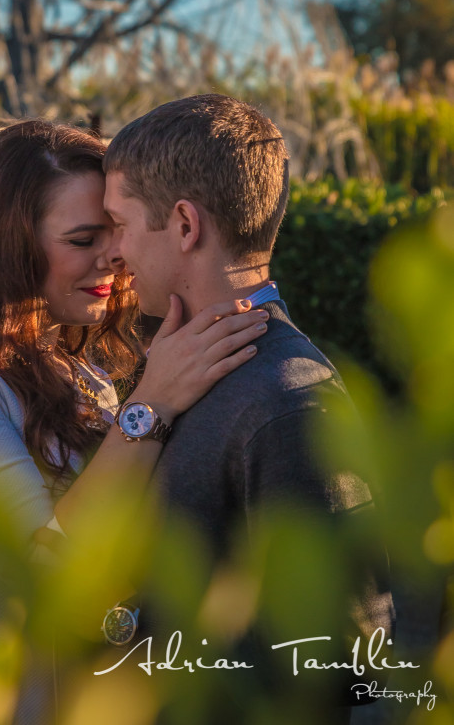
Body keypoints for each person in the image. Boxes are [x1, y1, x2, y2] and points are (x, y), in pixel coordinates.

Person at [0, 120, 267, 672]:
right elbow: (50, 581)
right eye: (83, 239)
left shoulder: (80, 373)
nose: (113, 257)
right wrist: (150, 405)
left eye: (115, 231)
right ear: (4, 246)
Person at [102, 94, 395, 721]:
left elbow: (343, 664)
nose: (113, 251)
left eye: (120, 224)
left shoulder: (287, 401)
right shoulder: (180, 370)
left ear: (185, 225)